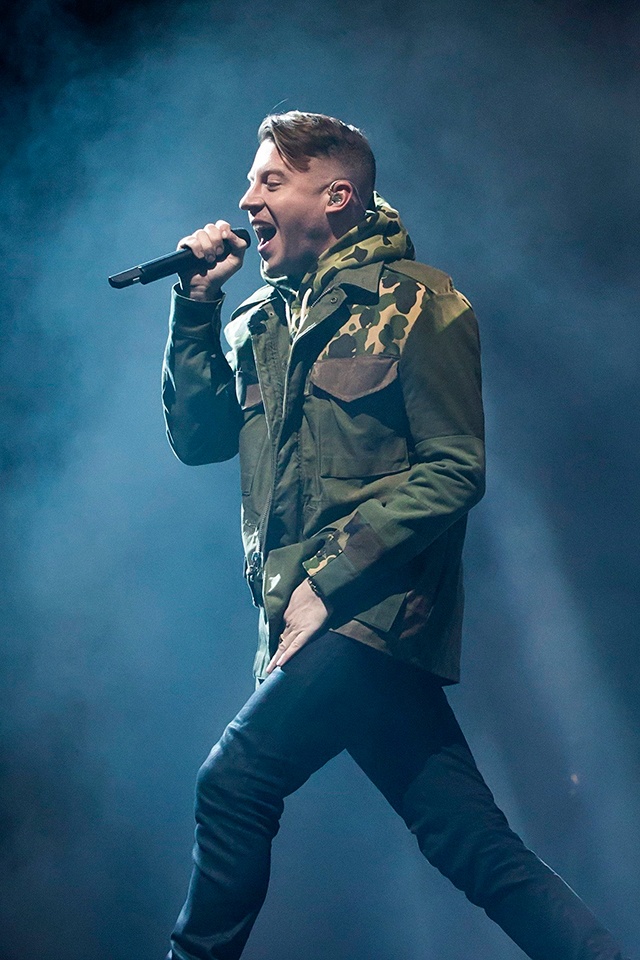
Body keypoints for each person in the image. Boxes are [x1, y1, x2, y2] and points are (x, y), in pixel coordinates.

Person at [161, 111, 627, 960]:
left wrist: (328, 582)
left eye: (270, 181)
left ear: (336, 197)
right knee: (474, 845)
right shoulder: (258, 321)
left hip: (368, 612)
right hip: (309, 622)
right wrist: (195, 307)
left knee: (232, 784)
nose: (246, 200)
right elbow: (198, 440)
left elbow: (455, 469)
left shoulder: (419, 303)